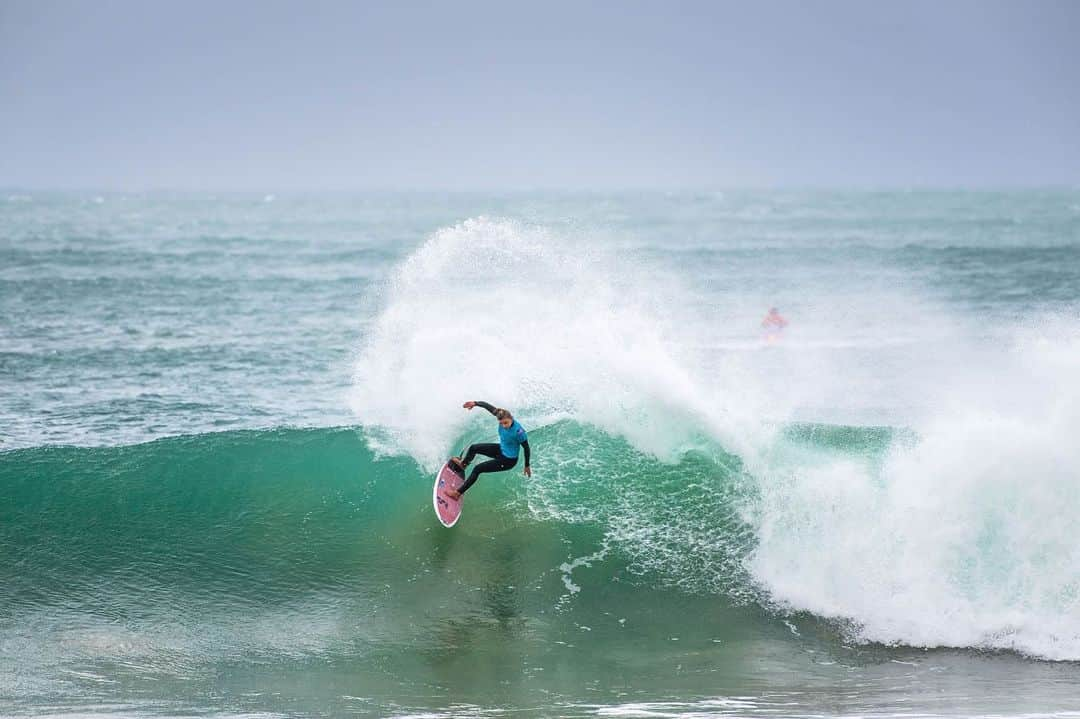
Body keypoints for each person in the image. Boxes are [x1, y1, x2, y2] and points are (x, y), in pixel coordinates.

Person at [446, 401, 531, 499]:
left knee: (478, 469)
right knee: (474, 448)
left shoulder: (518, 432)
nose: (504, 425)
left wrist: (527, 465)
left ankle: (457, 493)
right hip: (501, 449)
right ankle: (463, 464)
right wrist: (475, 403)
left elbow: (526, 448)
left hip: (508, 460)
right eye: (501, 423)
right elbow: (488, 407)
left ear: (511, 418)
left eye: (506, 423)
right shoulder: (500, 414)